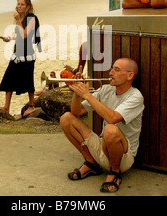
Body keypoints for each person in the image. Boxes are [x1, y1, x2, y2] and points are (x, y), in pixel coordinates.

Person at [60, 58, 144, 193]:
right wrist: (77, 93)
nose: (110, 73)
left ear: (130, 76)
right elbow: (76, 112)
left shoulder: (135, 97)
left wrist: (87, 95)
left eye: (116, 70)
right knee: (66, 118)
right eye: (112, 69)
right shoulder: (106, 89)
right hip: (102, 146)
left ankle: (114, 172)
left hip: (124, 157)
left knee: (110, 129)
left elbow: (113, 118)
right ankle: (91, 163)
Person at [0, 0, 41, 116]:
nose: (19, 6)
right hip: (17, 53)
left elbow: (25, 35)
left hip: (27, 54)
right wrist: (9, 39)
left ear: (28, 6)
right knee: (8, 78)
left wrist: (18, 20)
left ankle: (31, 105)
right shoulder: (22, 18)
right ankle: (6, 106)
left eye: (22, 4)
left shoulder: (32, 18)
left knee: (28, 79)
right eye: (18, 4)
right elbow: (20, 35)